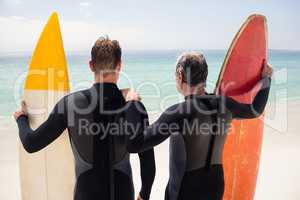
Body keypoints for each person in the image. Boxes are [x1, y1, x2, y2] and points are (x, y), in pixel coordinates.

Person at [14, 37, 156, 200]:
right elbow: (147, 162)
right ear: (119, 66)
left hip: (86, 193)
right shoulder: (134, 107)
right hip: (122, 192)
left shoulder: (70, 104)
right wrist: (144, 194)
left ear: (91, 65)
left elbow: (31, 143)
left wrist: (21, 119)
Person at [124, 52, 272, 200]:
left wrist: (132, 103)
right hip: (216, 186)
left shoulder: (178, 113)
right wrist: (266, 79)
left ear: (180, 75)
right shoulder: (225, 104)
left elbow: (135, 144)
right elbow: (255, 110)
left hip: (185, 191)